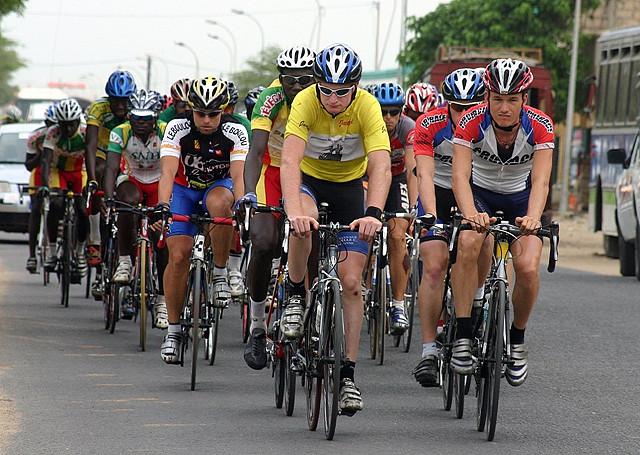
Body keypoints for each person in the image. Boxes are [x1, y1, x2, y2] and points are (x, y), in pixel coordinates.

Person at [280, 43, 391, 415]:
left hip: (348, 190)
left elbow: (380, 164)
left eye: (342, 91)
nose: (333, 98)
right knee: (303, 227)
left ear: (355, 87)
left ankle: (347, 376)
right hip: (309, 182)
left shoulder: (367, 106)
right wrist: (294, 210)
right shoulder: (306, 102)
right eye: (326, 89)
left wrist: (373, 212)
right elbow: (290, 161)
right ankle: (296, 294)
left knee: (352, 283)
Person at [450, 58, 554, 386]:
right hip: (480, 195)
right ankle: (465, 334)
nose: (504, 107)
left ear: (524, 100)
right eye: (497, 99)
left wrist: (534, 219)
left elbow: (541, 182)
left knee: (526, 266)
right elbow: (459, 176)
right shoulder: (469, 122)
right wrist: (470, 214)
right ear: (487, 99)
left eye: (512, 100)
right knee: (468, 242)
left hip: (521, 199)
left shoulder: (540, 125)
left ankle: (518, 339)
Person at [158, 76, 249, 364]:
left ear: (224, 111)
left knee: (220, 203)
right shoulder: (178, 128)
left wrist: (244, 203)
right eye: (201, 114)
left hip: (218, 186)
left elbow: (238, 175)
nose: (207, 120)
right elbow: (168, 173)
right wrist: (162, 205)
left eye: (213, 114)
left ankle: (220, 272)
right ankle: (173, 332)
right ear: (190, 110)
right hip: (184, 190)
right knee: (178, 256)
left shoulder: (236, 131)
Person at [238, 45, 316, 370]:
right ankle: (257, 325)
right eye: (290, 80)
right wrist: (248, 195)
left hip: (308, 172)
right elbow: (256, 152)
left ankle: (311, 324)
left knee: (313, 239)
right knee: (265, 241)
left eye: (304, 80)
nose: (297, 87)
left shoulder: (323, 100)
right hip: (271, 172)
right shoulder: (270, 99)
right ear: (280, 78)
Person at [411, 68, 485, 386]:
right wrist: (430, 215)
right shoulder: (429, 124)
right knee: (433, 265)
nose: (464, 114)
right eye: (457, 107)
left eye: (471, 107)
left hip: (476, 191)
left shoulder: (492, 125)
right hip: (438, 194)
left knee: (482, 238)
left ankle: (479, 295)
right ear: (446, 104)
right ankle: (429, 350)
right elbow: (424, 175)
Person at [103, 89, 169, 326]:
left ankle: (162, 301)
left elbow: (175, 168)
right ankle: (124, 261)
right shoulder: (119, 133)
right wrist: (108, 197)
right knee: (125, 204)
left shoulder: (165, 131)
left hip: (159, 183)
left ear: (156, 117)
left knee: (162, 241)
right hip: (132, 180)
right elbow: (111, 168)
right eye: (137, 118)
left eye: (147, 118)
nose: (141, 123)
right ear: (129, 117)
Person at [371, 82, 417, 334]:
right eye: (383, 111)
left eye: (393, 112)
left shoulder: (409, 128)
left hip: (397, 179)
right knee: (363, 230)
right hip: (368, 178)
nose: (388, 118)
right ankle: (365, 286)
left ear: (401, 113)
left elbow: (412, 170)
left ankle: (398, 304)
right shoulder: (366, 124)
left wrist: (414, 206)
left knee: (398, 235)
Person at [85, 70, 137, 296]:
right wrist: (92, 181)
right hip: (104, 153)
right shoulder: (98, 109)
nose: (120, 106)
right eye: (116, 101)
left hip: (127, 156)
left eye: (124, 101)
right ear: (109, 98)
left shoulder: (137, 110)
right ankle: (95, 240)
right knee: (98, 170)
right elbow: (90, 144)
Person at [39, 98, 89, 280]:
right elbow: (45, 161)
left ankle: (80, 251)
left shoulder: (84, 132)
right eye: (64, 124)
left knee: (84, 210)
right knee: (56, 204)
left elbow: (91, 157)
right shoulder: (53, 133)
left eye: (71, 124)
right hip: (58, 172)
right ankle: (52, 252)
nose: (68, 129)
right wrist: (44, 185)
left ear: (78, 121)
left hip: (79, 171)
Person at [223, 79, 252, 298]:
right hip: (206, 177)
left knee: (234, 206)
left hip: (233, 173)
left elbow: (247, 164)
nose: (225, 112)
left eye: (229, 108)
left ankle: (234, 269)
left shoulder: (243, 126)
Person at [25, 104, 58, 273]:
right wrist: (42, 155)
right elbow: (28, 165)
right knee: (37, 209)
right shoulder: (36, 137)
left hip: (59, 171)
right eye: (51, 122)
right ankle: (31, 255)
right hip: (40, 172)